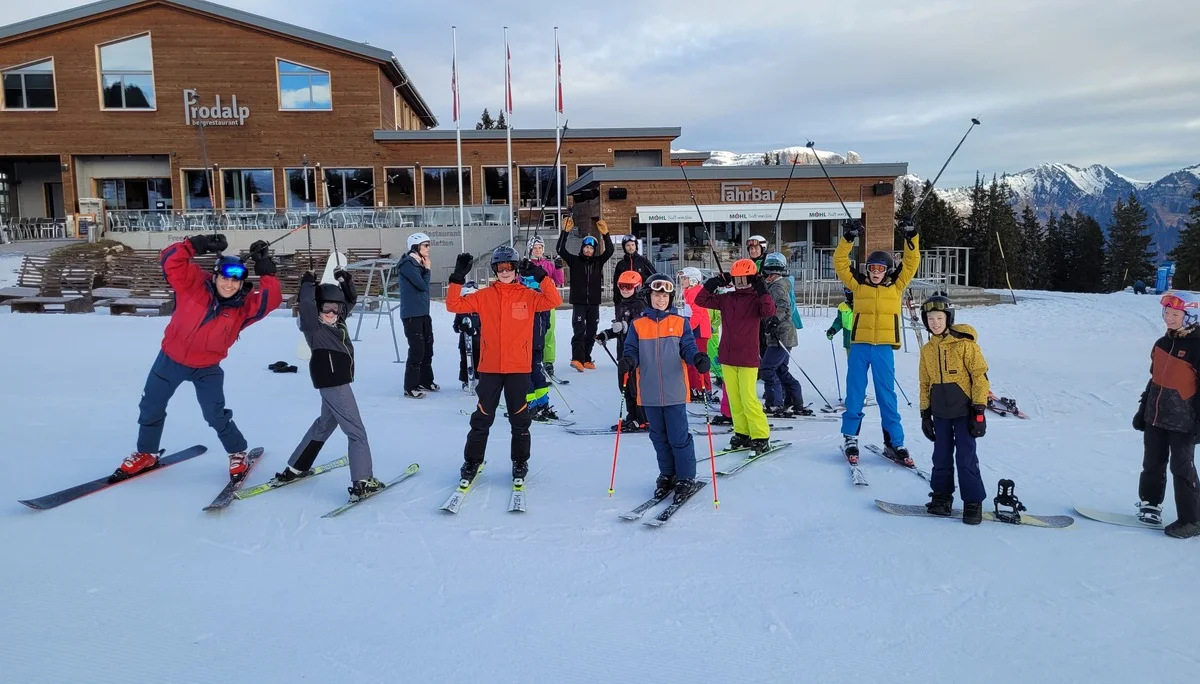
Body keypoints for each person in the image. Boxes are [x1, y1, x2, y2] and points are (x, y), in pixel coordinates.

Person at [115, 234, 281, 482]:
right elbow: (170, 260)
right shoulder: (192, 284)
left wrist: (266, 272)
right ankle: (146, 452)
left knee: (215, 414)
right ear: (215, 276)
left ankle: (237, 452)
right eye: (225, 277)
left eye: (236, 280)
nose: (229, 284)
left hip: (207, 368)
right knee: (151, 405)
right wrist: (196, 244)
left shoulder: (243, 308)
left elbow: (271, 300)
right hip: (170, 360)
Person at [445, 246, 563, 486]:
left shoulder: (528, 296)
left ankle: (520, 460)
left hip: (518, 369)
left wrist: (541, 276)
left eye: (509, 266)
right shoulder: (485, 296)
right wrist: (457, 278)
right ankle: (472, 461)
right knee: (482, 417)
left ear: (516, 268)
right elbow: (453, 305)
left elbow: (554, 299)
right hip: (490, 368)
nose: (505, 271)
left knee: (520, 419)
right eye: (500, 267)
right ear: (495, 270)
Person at [280, 268, 383, 500]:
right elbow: (306, 305)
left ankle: (297, 466)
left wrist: (345, 281)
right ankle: (363, 481)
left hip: (336, 380)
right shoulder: (313, 327)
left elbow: (350, 300)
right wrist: (308, 284)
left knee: (325, 424)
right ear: (318, 308)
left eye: (335, 308)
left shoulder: (339, 321)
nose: (331, 312)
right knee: (356, 432)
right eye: (326, 307)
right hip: (333, 382)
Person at [833, 218, 920, 465]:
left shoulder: (897, 286)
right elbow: (840, 263)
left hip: (883, 348)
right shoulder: (858, 286)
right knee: (855, 394)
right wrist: (848, 239)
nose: (875, 273)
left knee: (886, 396)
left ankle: (895, 441)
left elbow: (912, 262)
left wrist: (911, 237)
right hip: (859, 347)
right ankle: (851, 437)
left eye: (880, 269)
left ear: (888, 271)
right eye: (872, 268)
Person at [621, 273, 711, 501]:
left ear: (670, 298)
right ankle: (667, 474)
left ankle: (686, 477)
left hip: (674, 391)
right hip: (649, 391)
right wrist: (629, 360)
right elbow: (630, 350)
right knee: (658, 437)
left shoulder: (680, 323)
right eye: (656, 294)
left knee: (678, 437)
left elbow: (688, 348)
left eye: (665, 296)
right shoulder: (638, 325)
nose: (660, 300)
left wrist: (697, 358)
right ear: (649, 296)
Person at [1131, 291, 1200, 538]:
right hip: (1156, 417)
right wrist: (1143, 410)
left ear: (1190, 316)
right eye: (1167, 313)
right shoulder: (1162, 343)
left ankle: (1192, 520)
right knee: (1152, 462)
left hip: (1184, 422)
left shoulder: (1197, 347)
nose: (1169, 319)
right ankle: (1150, 504)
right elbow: (1155, 381)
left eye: (1175, 314)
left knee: (1182, 469)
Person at [918, 294, 989, 525]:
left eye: (939, 317)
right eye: (930, 319)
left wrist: (978, 411)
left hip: (964, 411)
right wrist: (924, 414)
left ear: (949, 318)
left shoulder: (965, 345)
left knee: (966, 457)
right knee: (940, 456)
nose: (935, 323)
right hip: (940, 413)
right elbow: (924, 383)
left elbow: (979, 376)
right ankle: (941, 497)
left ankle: (972, 501)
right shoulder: (927, 349)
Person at [694, 259, 776, 454]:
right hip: (727, 356)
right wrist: (714, 282)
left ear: (752, 279)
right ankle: (742, 433)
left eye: (744, 279)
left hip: (747, 358)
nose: (740, 283)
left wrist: (762, 289)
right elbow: (701, 300)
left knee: (749, 399)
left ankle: (760, 435)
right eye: (736, 279)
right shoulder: (727, 299)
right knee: (734, 398)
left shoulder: (757, 300)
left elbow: (769, 311)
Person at [556, 216, 613, 371]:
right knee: (579, 331)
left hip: (594, 302)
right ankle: (577, 359)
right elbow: (560, 250)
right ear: (582, 248)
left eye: (591, 248)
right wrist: (565, 232)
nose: (588, 250)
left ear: (594, 250)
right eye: (586, 247)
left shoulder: (598, 262)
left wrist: (606, 235)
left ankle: (587, 358)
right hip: (579, 302)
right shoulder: (574, 261)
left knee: (591, 332)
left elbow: (610, 250)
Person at [596, 270, 650, 431]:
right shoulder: (621, 304)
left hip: (637, 355)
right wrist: (606, 334)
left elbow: (642, 328)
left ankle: (643, 419)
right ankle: (631, 416)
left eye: (629, 286)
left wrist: (626, 326)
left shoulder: (641, 305)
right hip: (623, 353)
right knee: (624, 386)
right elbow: (619, 328)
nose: (625, 290)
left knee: (635, 388)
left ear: (637, 287)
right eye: (621, 286)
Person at [760, 253, 808, 416]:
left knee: (767, 368)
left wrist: (774, 321)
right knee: (780, 369)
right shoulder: (775, 285)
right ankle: (794, 399)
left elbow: (785, 307)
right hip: (779, 334)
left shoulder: (778, 286)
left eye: (766, 274)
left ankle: (775, 403)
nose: (764, 277)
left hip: (781, 334)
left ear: (773, 274)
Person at [398, 232, 437, 398]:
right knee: (417, 349)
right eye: (425, 245)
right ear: (416, 247)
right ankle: (410, 386)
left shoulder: (418, 263)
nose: (429, 248)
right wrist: (427, 269)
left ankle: (425, 380)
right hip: (412, 314)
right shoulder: (408, 264)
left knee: (428, 348)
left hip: (423, 313)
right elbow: (422, 285)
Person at [526, 236, 566, 380]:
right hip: (531, 304)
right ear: (530, 250)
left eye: (540, 248)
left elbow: (560, 281)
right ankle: (532, 361)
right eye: (535, 248)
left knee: (549, 332)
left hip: (548, 303)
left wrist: (558, 268)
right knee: (532, 333)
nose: (538, 251)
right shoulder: (527, 265)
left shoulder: (548, 265)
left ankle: (548, 362)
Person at [679, 267, 713, 402]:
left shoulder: (695, 292)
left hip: (698, 332)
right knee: (692, 361)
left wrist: (687, 328)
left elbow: (697, 314)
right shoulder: (688, 292)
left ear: (692, 280)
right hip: (694, 331)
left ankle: (702, 388)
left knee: (698, 360)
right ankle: (695, 386)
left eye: (684, 278)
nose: (682, 281)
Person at [453, 281, 482, 393]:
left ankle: (479, 379)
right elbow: (455, 326)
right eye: (467, 296)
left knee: (479, 361)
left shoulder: (481, 309)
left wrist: (475, 330)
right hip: (465, 343)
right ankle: (466, 380)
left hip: (478, 342)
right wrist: (461, 327)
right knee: (465, 361)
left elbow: (486, 325)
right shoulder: (461, 310)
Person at [612, 234, 656, 306]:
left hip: (641, 300)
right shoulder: (620, 264)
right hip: (624, 300)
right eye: (628, 245)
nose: (630, 247)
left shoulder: (644, 262)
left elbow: (654, 277)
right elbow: (616, 284)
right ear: (624, 247)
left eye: (633, 245)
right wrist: (616, 300)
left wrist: (647, 293)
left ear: (636, 246)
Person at [825, 287, 854, 355]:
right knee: (851, 363)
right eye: (846, 290)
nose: (848, 292)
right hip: (848, 341)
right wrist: (833, 329)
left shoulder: (863, 305)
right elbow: (839, 321)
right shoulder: (842, 306)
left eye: (850, 290)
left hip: (862, 342)